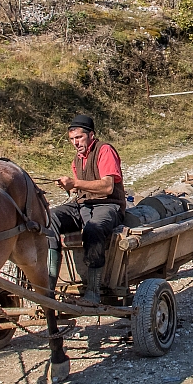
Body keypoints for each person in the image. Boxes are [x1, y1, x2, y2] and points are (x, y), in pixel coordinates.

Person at [47, 114, 126, 304]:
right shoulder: (78, 159)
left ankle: (93, 291)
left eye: (79, 137)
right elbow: (82, 187)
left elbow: (107, 187)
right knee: (49, 218)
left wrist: (75, 183)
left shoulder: (104, 150)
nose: (75, 143)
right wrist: (72, 187)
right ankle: (49, 286)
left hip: (108, 204)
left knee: (93, 228)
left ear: (91, 135)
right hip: (84, 203)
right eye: (72, 139)